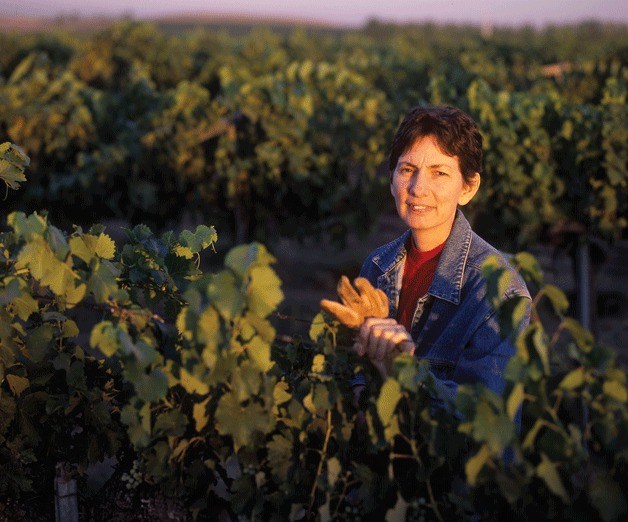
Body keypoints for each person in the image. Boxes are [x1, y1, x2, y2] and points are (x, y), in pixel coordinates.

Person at [352, 105, 531, 403]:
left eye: (439, 173)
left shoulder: (498, 293)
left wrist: (408, 375)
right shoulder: (376, 266)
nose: (418, 188)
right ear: (392, 179)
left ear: (468, 187)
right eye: (408, 169)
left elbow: (484, 417)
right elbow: (354, 370)